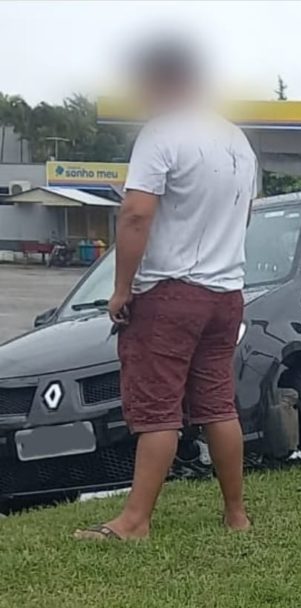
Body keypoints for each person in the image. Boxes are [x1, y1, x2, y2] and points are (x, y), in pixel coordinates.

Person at [74, 40, 258, 541]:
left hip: (170, 292)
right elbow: (244, 215)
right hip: (226, 293)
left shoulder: (161, 134)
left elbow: (135, 213)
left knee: (157, 407)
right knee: (217, 402)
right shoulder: (236, 140)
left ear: (164, 81)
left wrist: (120, 289)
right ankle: (236, 515)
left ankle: (134, 521)